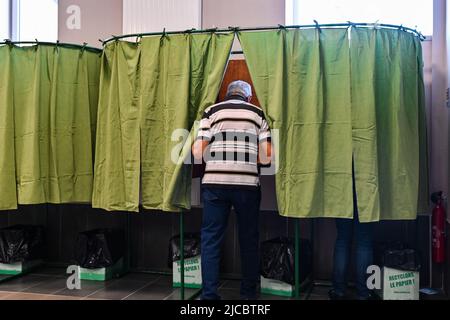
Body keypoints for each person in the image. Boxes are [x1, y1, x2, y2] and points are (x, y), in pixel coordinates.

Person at [192, 80, 272, 300]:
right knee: (248, 240)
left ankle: (209, 295)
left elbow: (198, 152)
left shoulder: (211, 111)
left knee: (210, 240)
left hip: (214, 183)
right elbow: (267, 157)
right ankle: (248, 295)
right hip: (246, 185)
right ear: (248, 96)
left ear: (228, 95)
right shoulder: (258, 114)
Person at [329, 163, 377, 300]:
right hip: (366, 181)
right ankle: (364, 292)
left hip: (341, 183)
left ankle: (338, 291)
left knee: (343, 238)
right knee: (365, 241)